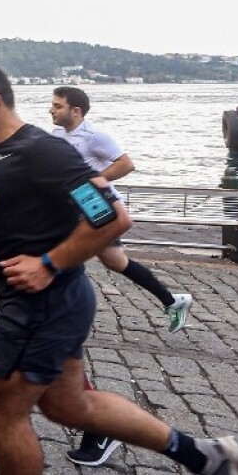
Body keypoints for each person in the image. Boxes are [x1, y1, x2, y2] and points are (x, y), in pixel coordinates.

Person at [0, 60, 238, 475]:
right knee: (68, 407)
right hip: (40, 303)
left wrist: (48, 262)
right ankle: (206, 456)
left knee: (3, 407)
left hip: (45, 302)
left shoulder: (47, 152)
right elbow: (1, 210)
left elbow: (111, 217)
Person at [51, 86, 193, 333]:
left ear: (75, 111)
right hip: (71, 205)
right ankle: (172, 301)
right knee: (112, 261)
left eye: (57, 105)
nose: (51, 110)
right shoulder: (55, 134)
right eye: (52, 105)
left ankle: (59, 314)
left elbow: (126, 164)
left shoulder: (94, 136)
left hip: (96, 204)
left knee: (77, 255)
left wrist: (92, 182)